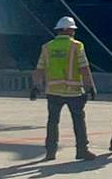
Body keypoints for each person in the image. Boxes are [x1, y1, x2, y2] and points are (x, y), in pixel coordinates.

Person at [31, 16, 98, 161]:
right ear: (67, 30)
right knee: (78, 122)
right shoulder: (76, 46)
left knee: (53, 122)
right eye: (73, 30)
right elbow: (84, 68)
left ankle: (50, 152)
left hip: (53, 91)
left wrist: (35, 87)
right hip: (73, 91)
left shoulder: (47, 47)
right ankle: (82, 150)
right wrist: (90, 86)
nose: (74, 32)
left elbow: (39, 69)